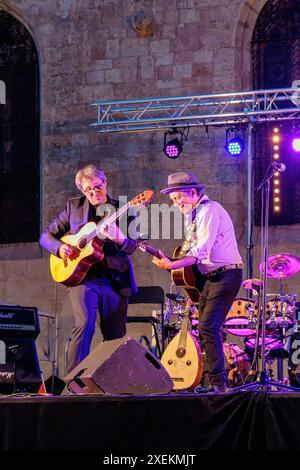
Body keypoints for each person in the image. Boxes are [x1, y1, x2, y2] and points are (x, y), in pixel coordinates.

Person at [40, 164, 137, 374]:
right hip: (82, 279)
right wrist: (60, 248)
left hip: (115, 280)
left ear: (105, 182)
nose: (94, 192)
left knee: (115, 335)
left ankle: (115, 383)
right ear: (82, 191)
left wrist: (119, 237)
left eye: (97, 186)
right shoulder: (73, 207)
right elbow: (45, 236)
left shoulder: (123, 209)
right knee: (85, 325)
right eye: (88, 190)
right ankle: (73, 382)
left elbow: (133, 246)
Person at [152, 171, 243, 392]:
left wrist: (173, 265)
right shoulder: (191, 215)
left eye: (178, 198)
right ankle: (212, 382)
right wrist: (177, 265)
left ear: (192, 192)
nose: (176, 204)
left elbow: (201, 251)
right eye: (173, 200)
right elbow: (192, 252)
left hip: (226, 274)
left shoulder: (210, 210)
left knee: (208, 326)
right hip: (209, 278)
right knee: (205, 328)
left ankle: (218, 385)